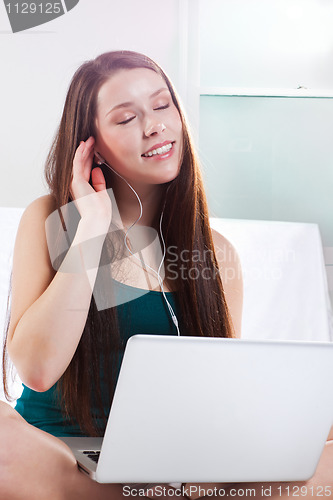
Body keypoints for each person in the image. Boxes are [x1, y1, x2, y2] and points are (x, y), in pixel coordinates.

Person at [0, 50, 331, 500]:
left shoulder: (216, 254)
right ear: (90, 144)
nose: (154, 125)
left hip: (168, 465)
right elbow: (36, 370)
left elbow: (219, 394)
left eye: (161, 106)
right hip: (61, 455)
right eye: (125, 118)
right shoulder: (53, 219)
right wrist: (92, 231)